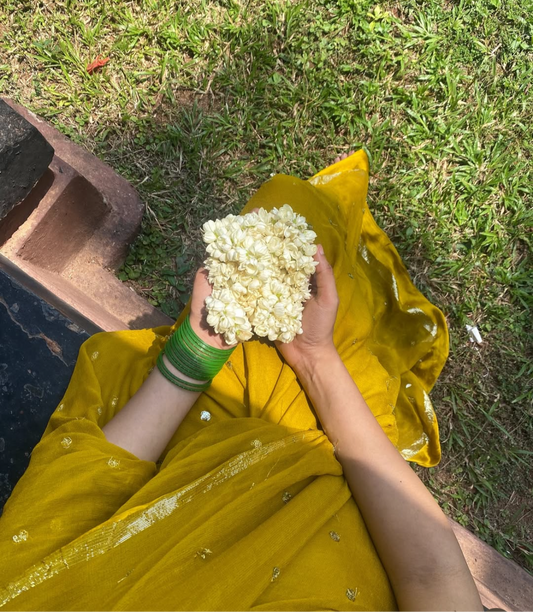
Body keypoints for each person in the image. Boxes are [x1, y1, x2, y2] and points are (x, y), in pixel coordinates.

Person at [0, 151, 486, 611]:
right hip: (347, 488)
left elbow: (77, 494)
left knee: (284, 220)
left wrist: (198, 353)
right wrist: (317, 362)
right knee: (299, 236)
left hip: (209, 452)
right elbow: (433, 573)